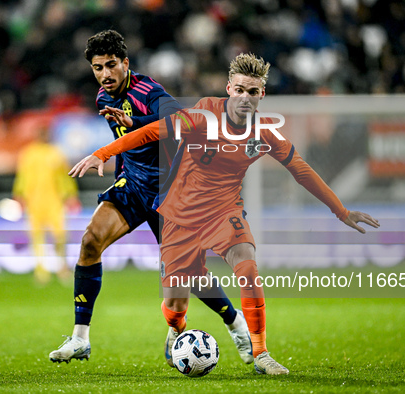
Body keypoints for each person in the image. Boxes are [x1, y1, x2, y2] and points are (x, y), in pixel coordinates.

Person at [70, 53, 381, 374]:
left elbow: (301, 170)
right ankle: (177, 329)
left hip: (223, 210)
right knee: (175, 305)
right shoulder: (204, 115)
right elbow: (152, 133)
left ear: (262, 96)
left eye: (254, 92)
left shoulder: (265, 132)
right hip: (179, 212)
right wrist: (101, 153)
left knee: (247, 265)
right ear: (229, 88)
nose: (246, 98)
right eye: (241, 90)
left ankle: (261, 354)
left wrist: (341, 211)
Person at [49, 30, 253, 366]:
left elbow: (180, 120)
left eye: (111, 65)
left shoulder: (148, 91)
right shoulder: (103, 97)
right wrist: (118, 180)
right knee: (90, 241)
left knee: (189, 275)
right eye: (98, 68)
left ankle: (236, 324)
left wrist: (136, 121)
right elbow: (131, 147)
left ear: (125, 63)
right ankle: (80, 338)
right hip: (132, 186)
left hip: (173, 191)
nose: (105, 74)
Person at [13, 127, 80, 284]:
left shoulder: (56, 153)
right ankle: (41, 271)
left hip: (54, 201)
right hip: (33, 201)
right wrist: (19, 196)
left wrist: (70, 195)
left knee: (60, 236)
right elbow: (22, 176)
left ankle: (62, 268)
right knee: (36, 236)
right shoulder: (28, 153)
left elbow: (65, 177)